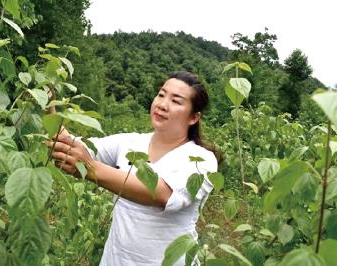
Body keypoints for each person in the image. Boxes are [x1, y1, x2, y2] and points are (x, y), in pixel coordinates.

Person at [48, 71, 219, 265]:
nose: (162, 105)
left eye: (176, 101)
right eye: (161, 95)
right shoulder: (130, 142)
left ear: (194, 118)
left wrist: (92, 169)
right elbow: (68, 145)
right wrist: (47, 103)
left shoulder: (201, 160)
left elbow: (161, 194)